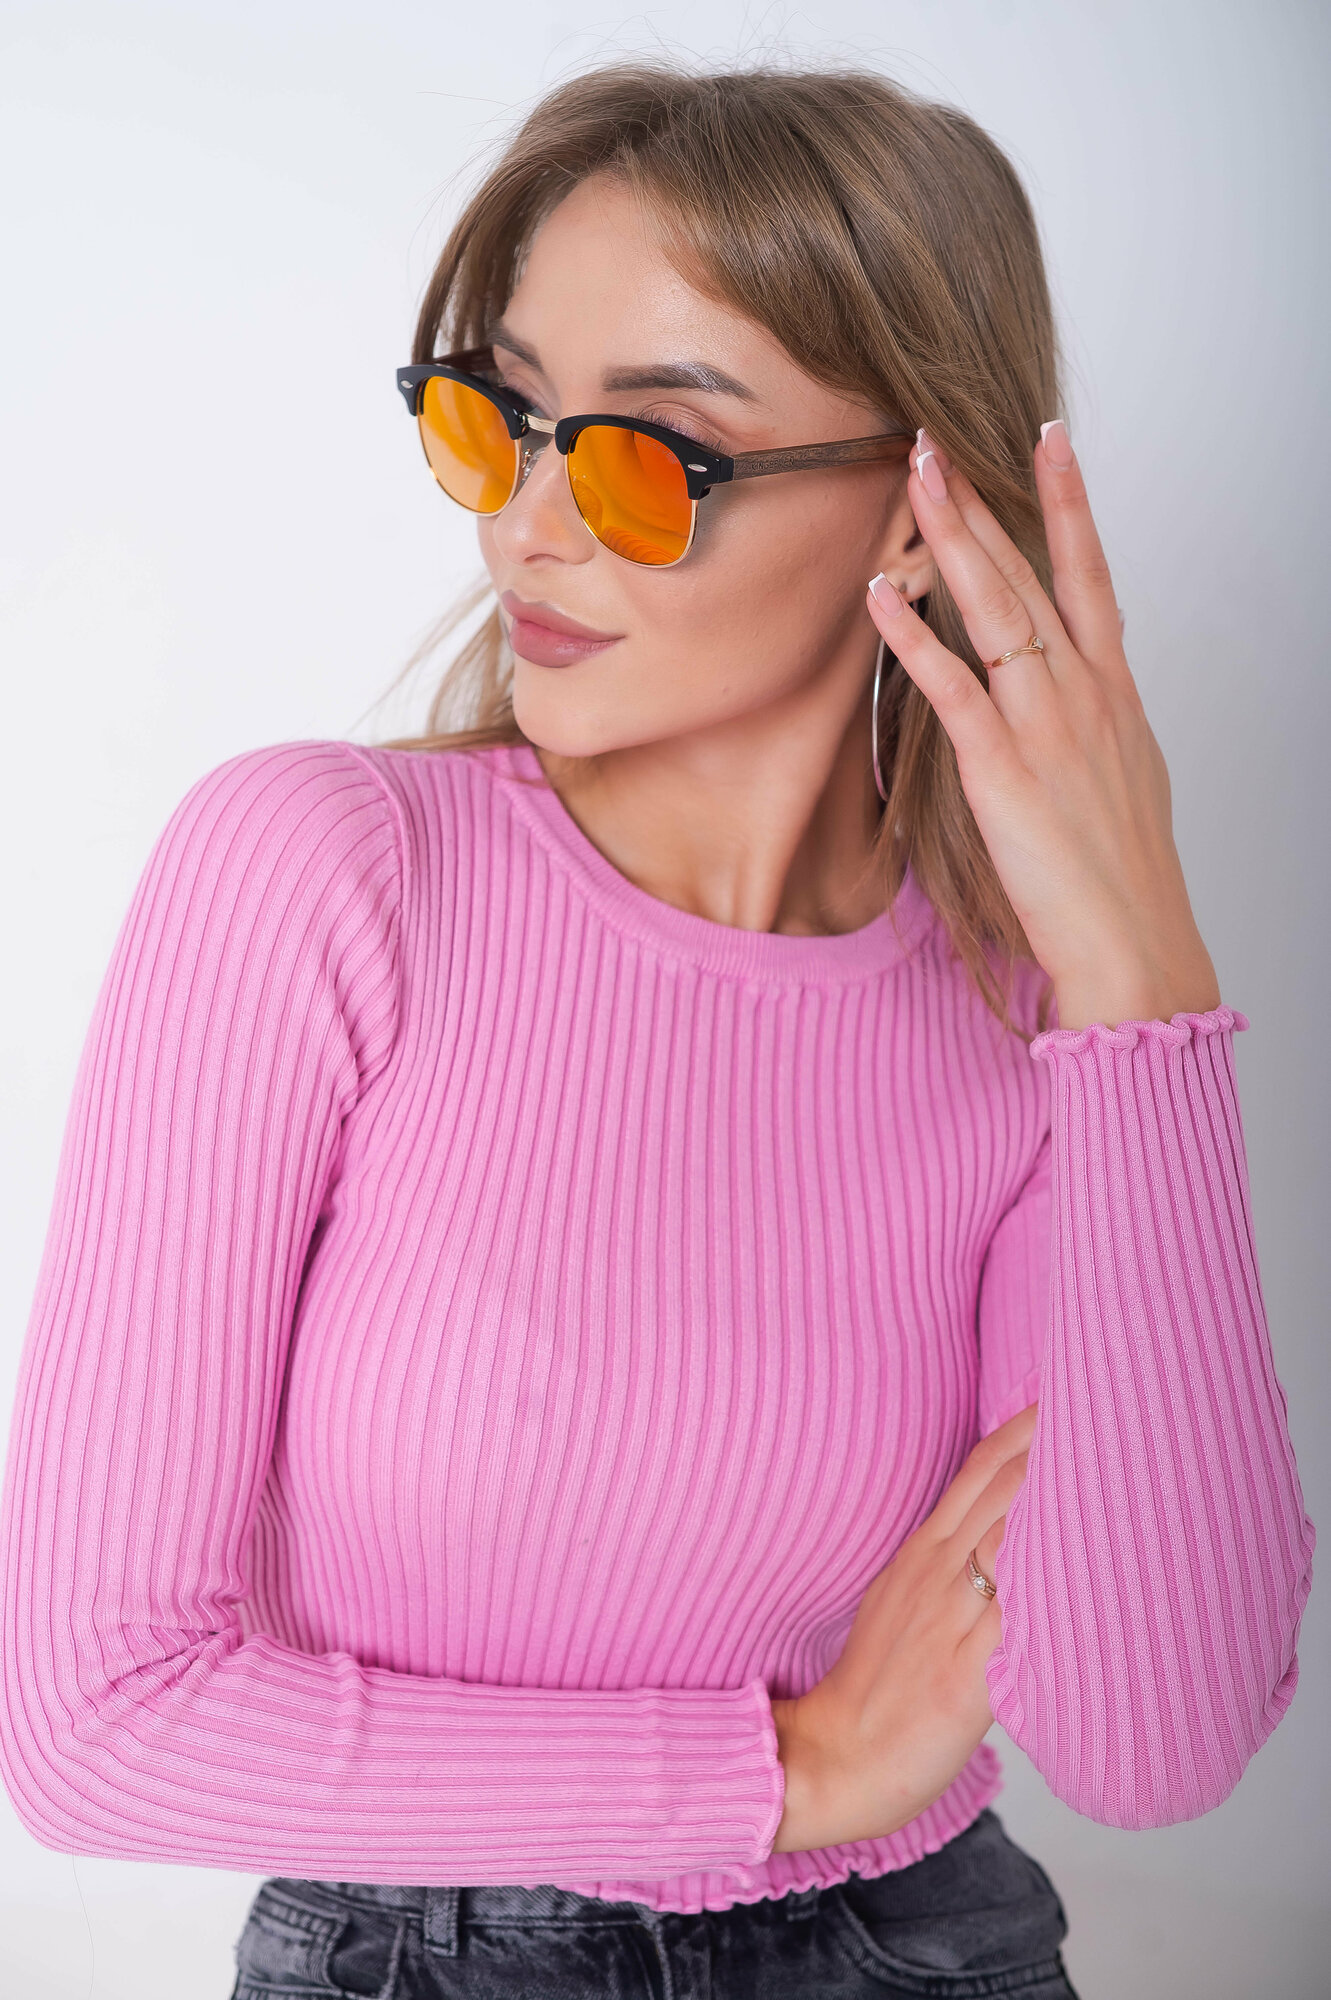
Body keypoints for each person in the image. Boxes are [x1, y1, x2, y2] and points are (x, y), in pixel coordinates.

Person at [0, 57, 1315, 2000]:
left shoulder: (1038, 1011)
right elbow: (95, 1719)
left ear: (917, 502)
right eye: (501, 421)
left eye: (644, 455)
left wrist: (1144, 982)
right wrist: (794, 1768)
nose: (530, 527)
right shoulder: (322, 875)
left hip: (931, 1951)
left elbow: (1155, 1742)